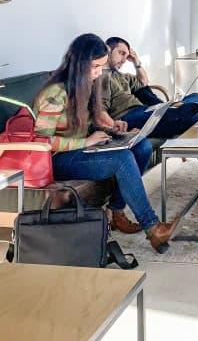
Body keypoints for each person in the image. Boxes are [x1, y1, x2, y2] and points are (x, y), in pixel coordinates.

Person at [33, 33, 177, 251]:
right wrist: (87, 142)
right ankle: (153, 227)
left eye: (101, 66)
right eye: (95, 67)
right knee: (122, 158)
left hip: (80, 149)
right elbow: (42, 141)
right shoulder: (55, 93)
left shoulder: (85, 85)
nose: (99, 72)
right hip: (56, 160)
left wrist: (113, 126)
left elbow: (96, 115)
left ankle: (117, 211)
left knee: (141, 146)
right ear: (80, 64)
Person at [102, 37, 198, 189]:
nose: (123, 59)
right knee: (192, 121)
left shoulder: (122, 76)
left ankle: (176, 111)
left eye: (126, 56)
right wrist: (114, 126)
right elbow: (101, 111)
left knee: (196, 96)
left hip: (147, 112)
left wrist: (136, 62)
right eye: (121, 53)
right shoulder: (101, 77)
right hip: (129, 117)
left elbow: (144, 83)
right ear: (108, 50)